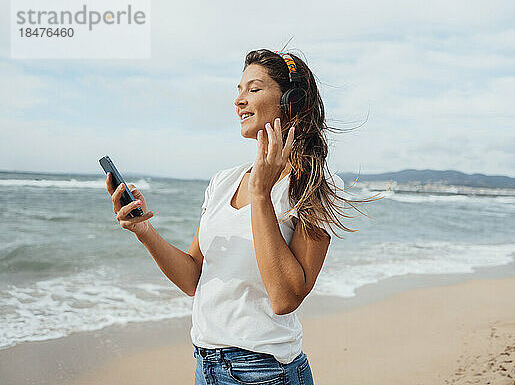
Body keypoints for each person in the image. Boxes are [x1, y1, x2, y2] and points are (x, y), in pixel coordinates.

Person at [105, 49, 372, 385]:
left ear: (290, 102)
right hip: (206, 363)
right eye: (239, 90)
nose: (239, 101)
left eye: (254, 89)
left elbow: (286, 297)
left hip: (265, 371)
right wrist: (145, 231)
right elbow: (193, 279)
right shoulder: (223, 181)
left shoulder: (314, 185)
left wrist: (261, 193)